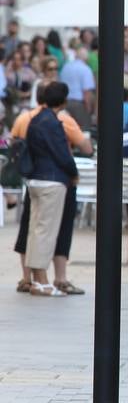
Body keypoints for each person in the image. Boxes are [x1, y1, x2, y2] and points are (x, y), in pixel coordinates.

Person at [12, 82, 92, 295]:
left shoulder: (35, 119)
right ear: (64, 101)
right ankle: (42, 282)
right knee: (45, 233)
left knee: (35, 232)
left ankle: (35, 279)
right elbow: (62, 154)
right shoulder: (54, 122)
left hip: (35, 180)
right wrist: (74, 173)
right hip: (52, 181)